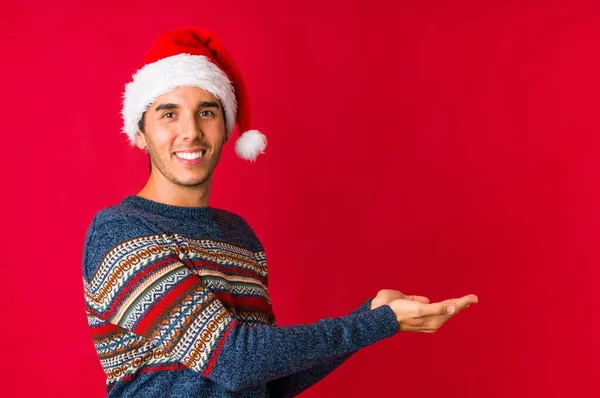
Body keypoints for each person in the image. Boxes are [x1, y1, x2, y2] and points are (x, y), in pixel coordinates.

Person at [81, 27, 478, 397]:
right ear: (139, 132)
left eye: (207, 112)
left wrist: (373, 312)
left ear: (225, 127)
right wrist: (377, 323)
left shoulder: (238, 235)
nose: (191, 131)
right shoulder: (121, 230)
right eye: (169, 114)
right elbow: (236, 359)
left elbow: (266, 379)